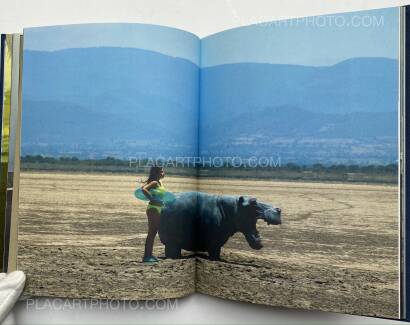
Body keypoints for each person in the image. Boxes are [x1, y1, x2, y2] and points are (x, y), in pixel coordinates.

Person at [141, 166, 166, 263]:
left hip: (158, 208)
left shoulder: (159, 182)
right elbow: (144, 189)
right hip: (153, 209)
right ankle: (147, 256)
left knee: (153, 232)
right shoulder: (154, 182)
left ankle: (150, 255)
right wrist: (152, 199)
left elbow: (161, 195)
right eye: (162, 171)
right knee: (151, 233)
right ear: (157, 173)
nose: (163, 173)